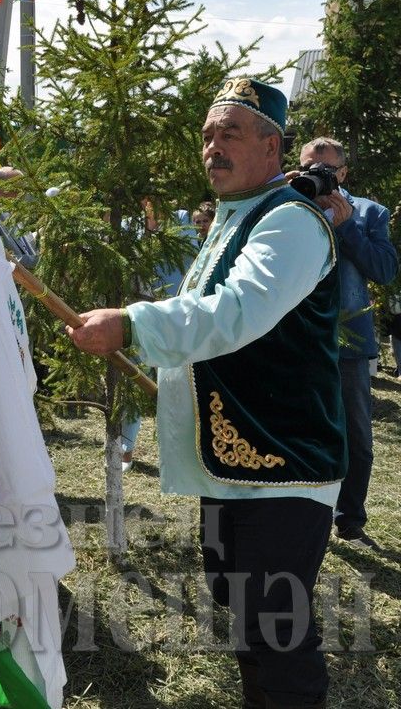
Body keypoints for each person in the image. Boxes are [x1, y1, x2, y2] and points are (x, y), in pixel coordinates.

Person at [68, 78, 346, 709]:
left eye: (231, 133)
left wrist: (134, 323)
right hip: (235, 464)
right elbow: (204, 322)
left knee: (277, 631)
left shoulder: (290, 224)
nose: (213, 148)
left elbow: (236, 312)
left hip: (284, 466)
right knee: (248, 619)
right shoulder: (239, 218)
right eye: (208, 136)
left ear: (273, 147)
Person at [296, 137, 398, 550]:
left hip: (350, 343)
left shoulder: (370, 212)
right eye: (308, 167)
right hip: (297, 337)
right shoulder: (290, 202)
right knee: (299, 429)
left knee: (356, 436)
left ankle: (349, 519)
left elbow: (386, 270)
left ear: (342, 173)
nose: (316, 176)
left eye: (325, 170)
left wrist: (347, 226)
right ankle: (302, 513)